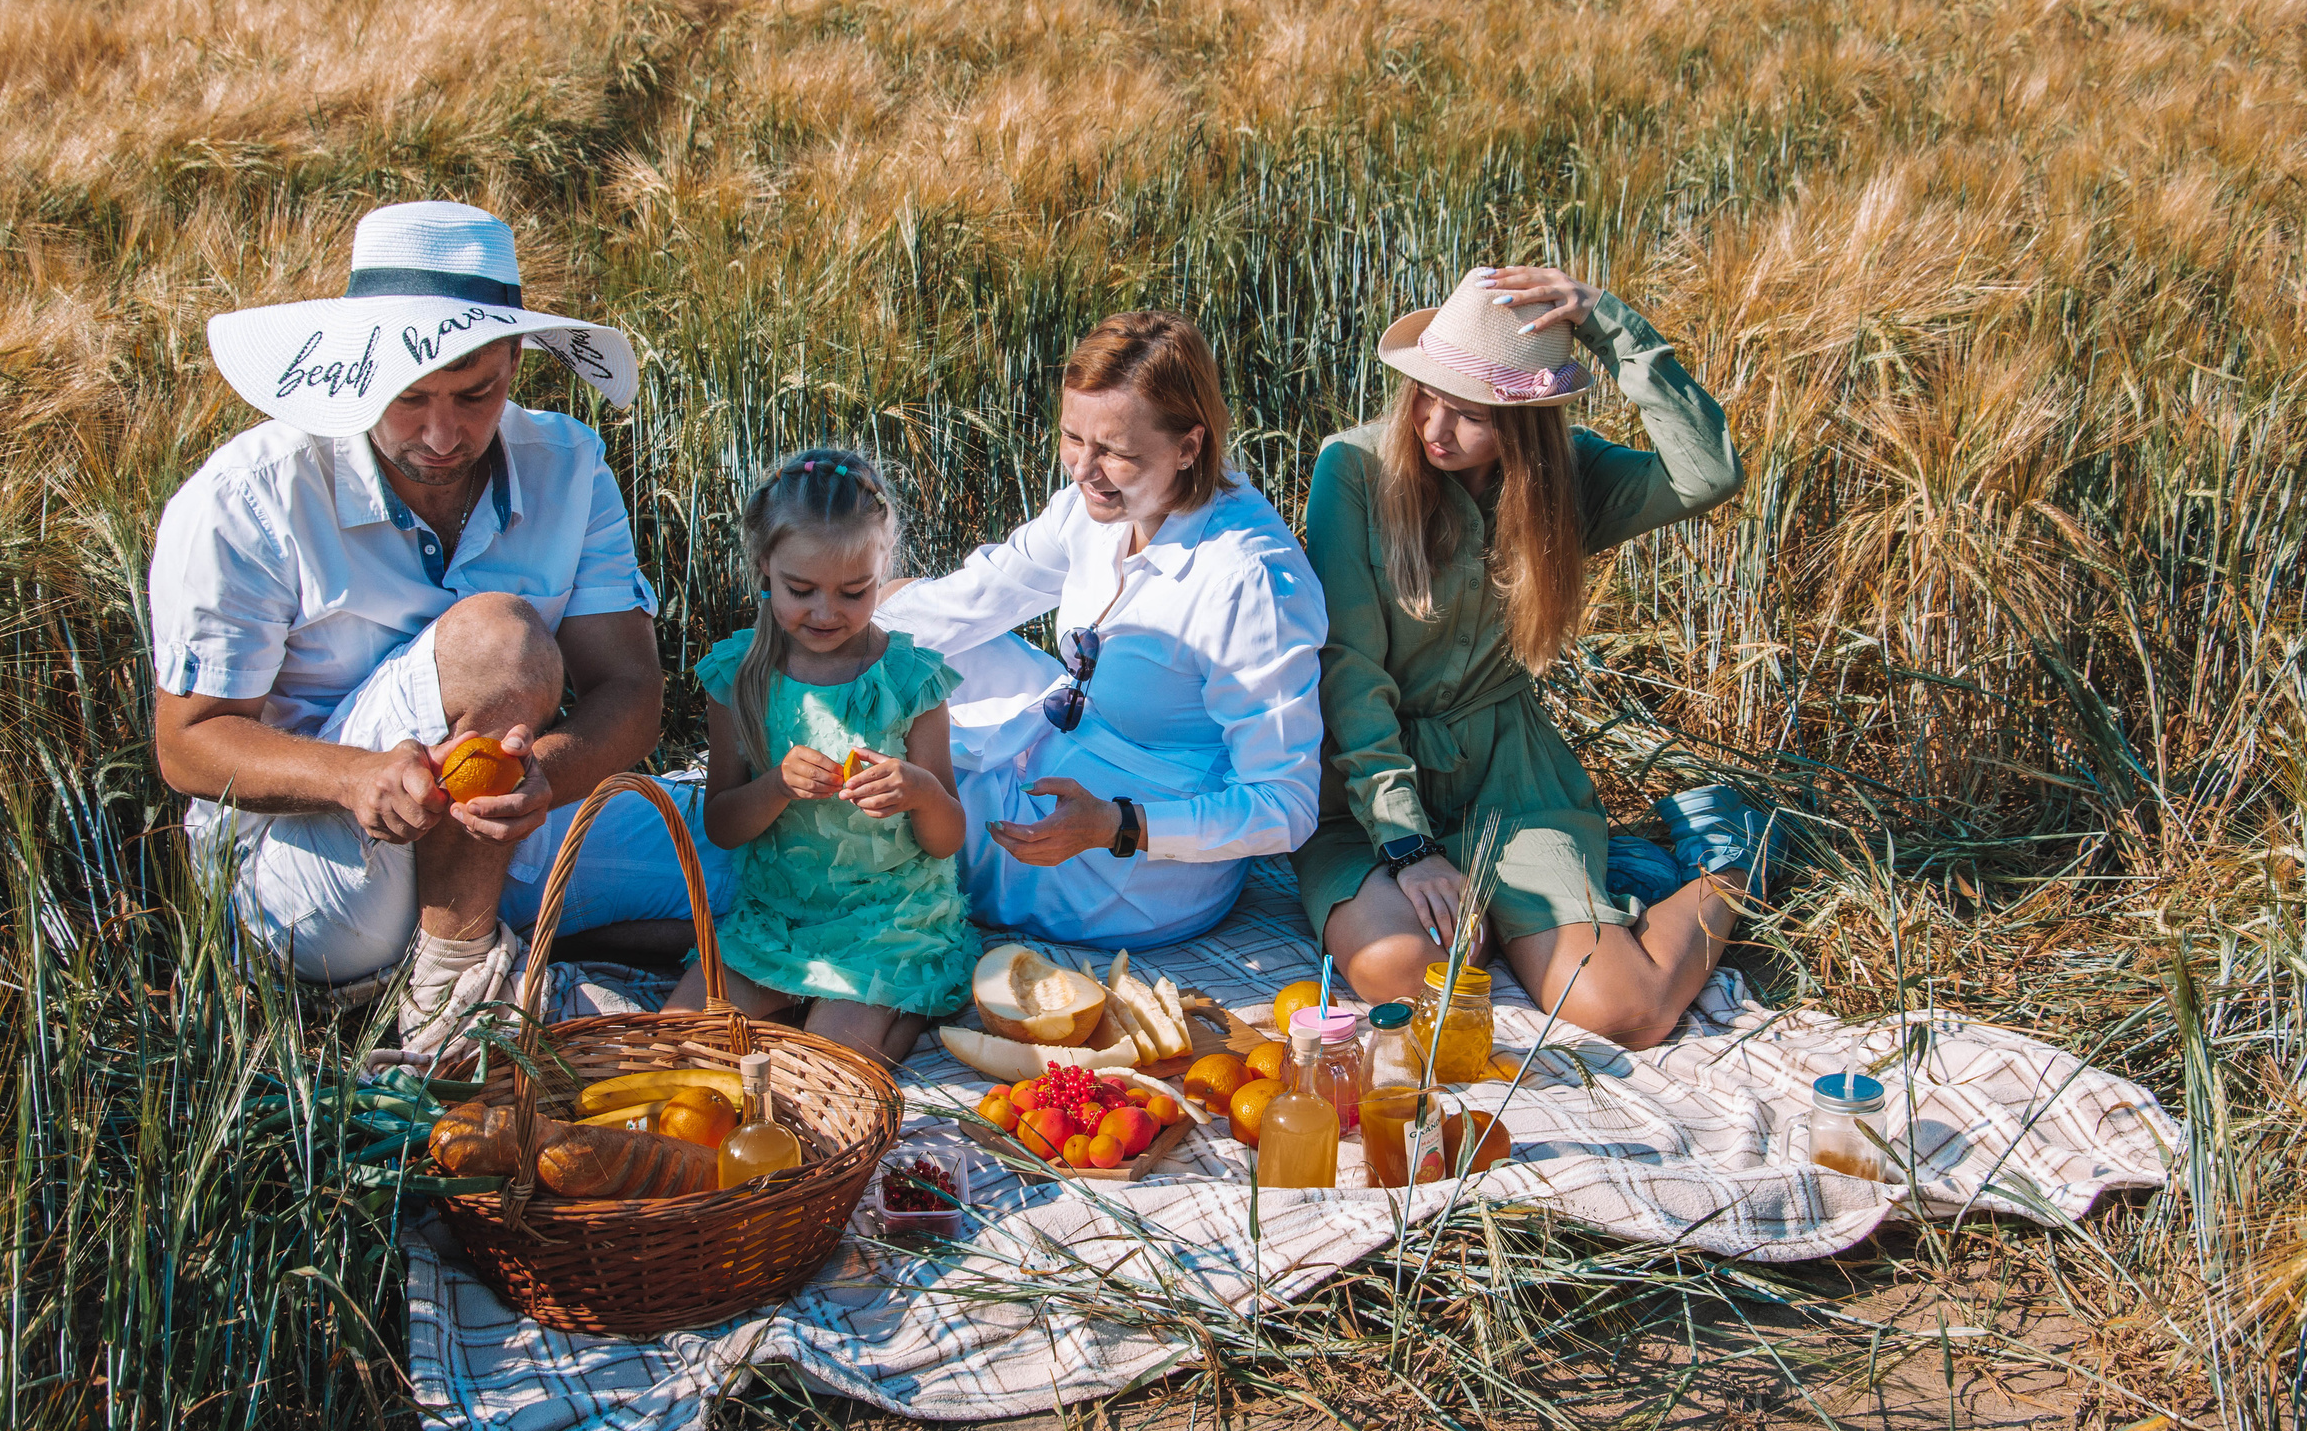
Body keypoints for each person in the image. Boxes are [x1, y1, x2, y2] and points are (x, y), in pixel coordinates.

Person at [149, 201, 734, 1055]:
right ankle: (454, 994)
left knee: (769, 864)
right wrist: (353, 779)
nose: (441, 433)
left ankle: (513, 943)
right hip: (312, 871)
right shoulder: (250, 496)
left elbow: (632, 691)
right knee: (499, 639)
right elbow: (188, 744)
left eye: (475, 393)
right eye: (409, 396)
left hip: (508, 829)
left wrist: (549, 777)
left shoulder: (569, 464)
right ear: (356, 373)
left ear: (515, 362)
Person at [1295, 264, 1754, 1050]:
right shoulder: (1356, 470)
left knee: (1628, 1009)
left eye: (1468, 413)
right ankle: (1573, 893)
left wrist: (1613, 326)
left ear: (1526, 419)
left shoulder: (1567, 480)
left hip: (1509, 778)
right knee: (1408, 968)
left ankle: (1735, 857)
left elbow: (1708, 473)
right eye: (1424, 395)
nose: (1435, 427)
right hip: (1368, 783)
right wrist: (1407, 846)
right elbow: (1351, 673)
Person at [875, 312, 1328, 949]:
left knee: (890, 796)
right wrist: (822, 636)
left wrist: (1118, 824)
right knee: (896, 619)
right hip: (1065, 731)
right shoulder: (1100, 504)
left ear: (1189, 447)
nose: (1082, 470)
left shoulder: (1248, 582)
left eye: (1114, 452)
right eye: (1071, 438)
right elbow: (977, 596)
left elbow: (1285, 806)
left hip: (1131, 859)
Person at [667, 448, 971, 1063]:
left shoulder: (909, 681)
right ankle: (823, 1004)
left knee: (824, 1069)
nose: (827, 612)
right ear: (763, 568)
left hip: (888, 924)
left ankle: (903, 1010)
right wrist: (775, 785)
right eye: (800, 590)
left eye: (855, 591)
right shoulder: (739, 678)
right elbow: (722, 827)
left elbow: (948, 838)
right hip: (778, 922)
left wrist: (918, 791)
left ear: (883, 570)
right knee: (679, 1039)